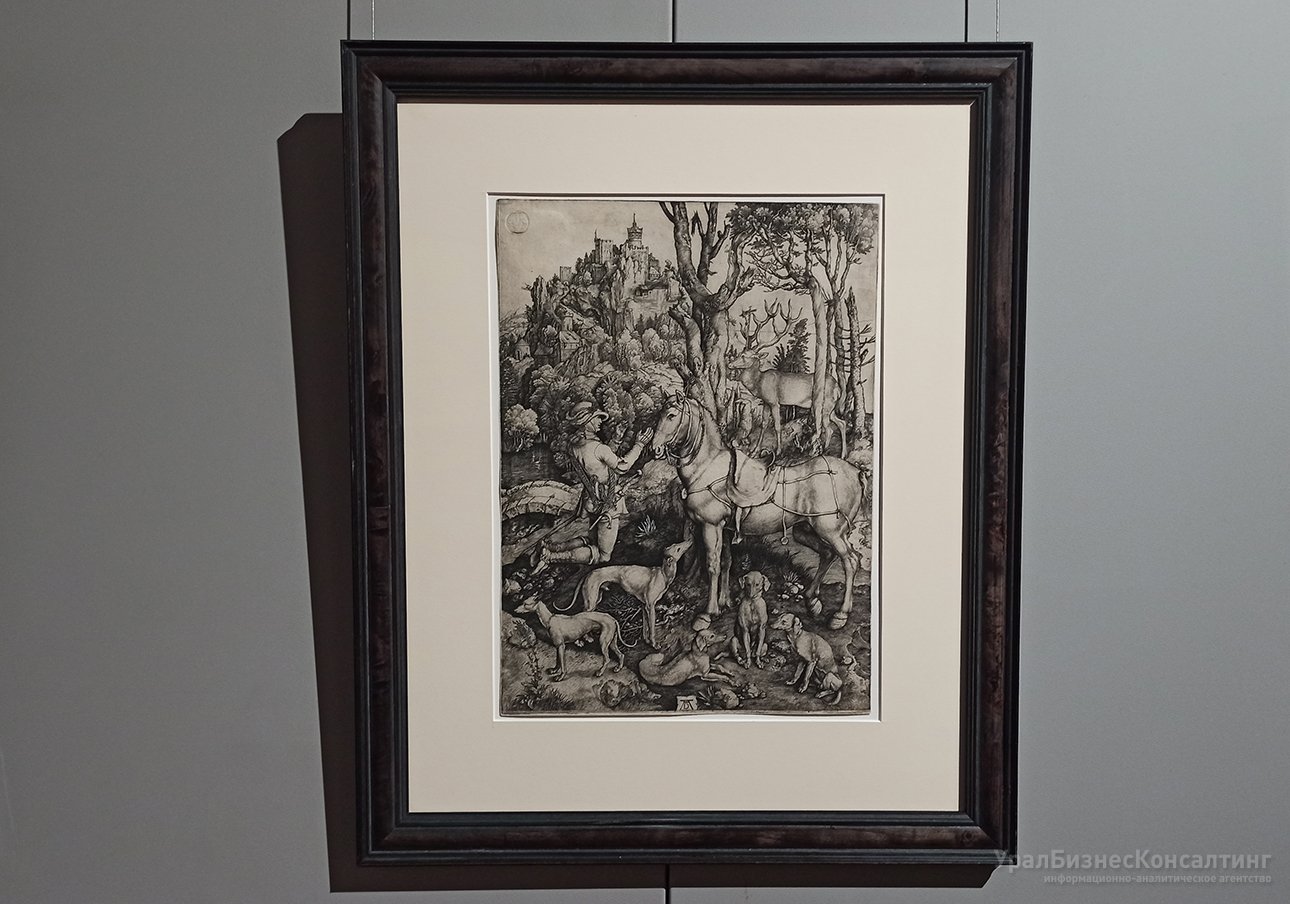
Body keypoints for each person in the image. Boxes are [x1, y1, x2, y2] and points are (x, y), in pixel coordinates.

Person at [532, 401, 652, 572]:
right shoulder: (597, 447)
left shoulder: (575, 446)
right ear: (586, 421)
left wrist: (616, 439)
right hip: (607, 503)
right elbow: (622, 467)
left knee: (592, 540)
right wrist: (639, 444)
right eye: (596, 418)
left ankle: (552, 547)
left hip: (591, 500)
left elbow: (600, 463)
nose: (600, 422)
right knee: (604, 555)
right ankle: (551, 557)